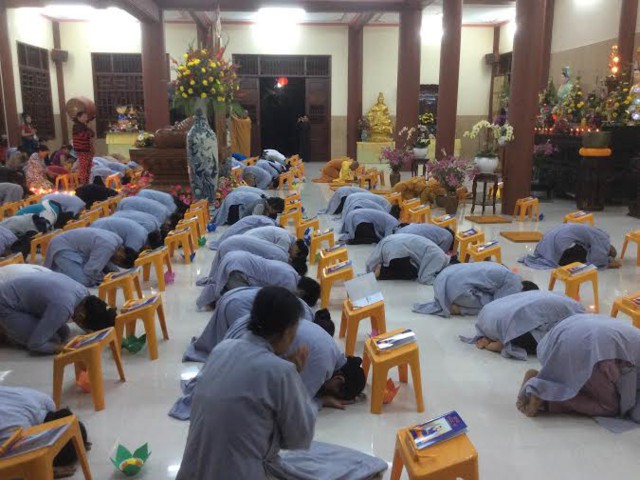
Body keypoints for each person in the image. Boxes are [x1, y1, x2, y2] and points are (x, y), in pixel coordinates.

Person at [175, 287, 387, 480]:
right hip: (240, 473)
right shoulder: (282, 371)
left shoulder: (223, 348)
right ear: (287, 332)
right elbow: (298, 439)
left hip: (194, 469)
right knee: (360, 467)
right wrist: (299, 384)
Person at [172, 312, 364, 420]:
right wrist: (322, 401)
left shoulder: (331, 349)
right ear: (339, 379)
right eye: (335, 391)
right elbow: (292, 409)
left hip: (244, 328)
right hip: (244, 344)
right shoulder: (323, 363)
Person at [517, 314, 640, 423]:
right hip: (594, 351)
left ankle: (546, 380)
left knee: (582, 381)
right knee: (611, 407)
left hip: (559, 336)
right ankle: (545, 397)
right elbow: (628, 398)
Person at [183, 286, 324, 362]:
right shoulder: (277, 371)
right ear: (286, 332)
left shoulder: (223, 348)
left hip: (234, 295)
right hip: (237, 304)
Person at [0, 264, 116, 353]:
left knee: (64, 333)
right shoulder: (63, 307)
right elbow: (36, 344)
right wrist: (63, 349)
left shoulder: (83, 292)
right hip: (5, 304)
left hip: (17, 291)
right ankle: (4, 331)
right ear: (81, 316)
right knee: (52, 340)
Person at [461, 291, 585, 360]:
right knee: (546, 342)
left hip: (485, 316)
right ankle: (502, 344)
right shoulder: (575, 313)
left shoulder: (556, 295)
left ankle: (490, 336)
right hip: (504, 326)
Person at [0, 385, 91, 478]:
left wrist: (78, 440)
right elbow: (14, 465)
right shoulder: (14, 433)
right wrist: (45, 469)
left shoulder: (45, 400)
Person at [195, 251, 320, 310]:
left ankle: (220, 288)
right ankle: (214, 300)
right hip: (237, 270)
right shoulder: (289, 284)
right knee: (244, 300)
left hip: (235, 258)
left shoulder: (290, 271)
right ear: (302, 293)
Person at [413, 262, 537, 317]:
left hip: (442, 280)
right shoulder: (515, 284)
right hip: (457, 290)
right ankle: (460, 309)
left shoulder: (503, 269)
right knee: (492, 305)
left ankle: (451, 302)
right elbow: (498, 307)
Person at [198, 236, 304, 290]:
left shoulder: (282, 253)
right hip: (234, 248)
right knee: (220, 280)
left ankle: (213, 283)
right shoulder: (281, 259)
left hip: (236, 244)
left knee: (219, 274)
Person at [44, 228, 136, 287]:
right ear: (121, 256)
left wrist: (113, 274)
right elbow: (91, 270)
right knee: (84, 280)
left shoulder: (117, 241)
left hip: (72, 246)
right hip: (62, 247)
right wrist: (104, 278)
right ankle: (60, 276)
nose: (116, 263)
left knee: (110, 272)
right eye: (118, 263)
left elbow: (109, 266)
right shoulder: (107, 247)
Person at [520, 223, 619, 270]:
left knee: (579, 251)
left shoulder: (600, 234)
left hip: (553, 234)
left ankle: (556, 258)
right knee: (579, 257)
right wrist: (608, 264)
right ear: (608, 251)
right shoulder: (603, 241)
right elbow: (598, 260)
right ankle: (558, 259)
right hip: (560, 239)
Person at [366, 233, 450, 284]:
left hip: (391, 243)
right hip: (397, 250)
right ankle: (382, 272)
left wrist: (370, 267)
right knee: (412, 272)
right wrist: (442, 282)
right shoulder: (440, 258)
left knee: (407, 263)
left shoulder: (437, 250)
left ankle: (383, 266)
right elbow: (425, 278)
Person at [207, 215, 277, 250]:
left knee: (233, 232)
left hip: (245, 223)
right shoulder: (271, 224)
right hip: (246, 225)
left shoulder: (267, 219)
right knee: (234, 234)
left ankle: (222, 243)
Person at [72, 111, 95, 185]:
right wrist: (89, 131)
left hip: (87, 149)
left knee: (88, 167)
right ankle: (83, 184)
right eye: (84, 117)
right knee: (84, 168)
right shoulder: (77, 127)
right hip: (82, 150)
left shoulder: (84, 126)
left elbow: (92, 134)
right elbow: (86, 135)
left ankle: (87, 183)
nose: (86, 118)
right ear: (78, 118)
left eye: (86, 117)